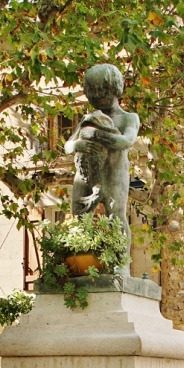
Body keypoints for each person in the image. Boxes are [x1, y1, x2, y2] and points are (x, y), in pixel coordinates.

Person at [63, 63, 140, 248]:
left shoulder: (129, 118)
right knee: (79, 215)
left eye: (102, 91)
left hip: (115, 170)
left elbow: (125, 142)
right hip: (85, 173)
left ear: (115, 88)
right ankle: (81, 258)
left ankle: (120, 264)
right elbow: (68, 146)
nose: (97, 96)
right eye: (92, 92)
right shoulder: (88, 118)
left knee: (116, 215)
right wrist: (79, 144)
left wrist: (96, 135)